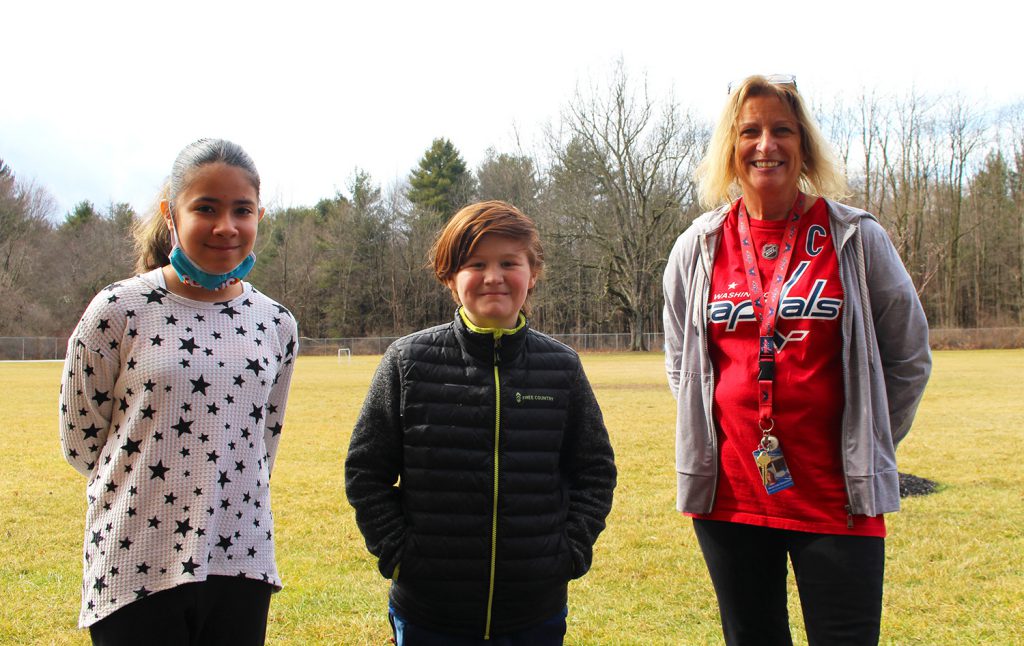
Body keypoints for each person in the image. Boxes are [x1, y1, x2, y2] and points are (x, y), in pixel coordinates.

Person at [662, 75, 931, 645]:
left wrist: (871, 440)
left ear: (804, 145)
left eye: (782, 130)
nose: (766, 145)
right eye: (750, 131)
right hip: (731, 499)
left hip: (839, 497)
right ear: (730, 149)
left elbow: (907, 356)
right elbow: (682, 366)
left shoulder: (854, 237)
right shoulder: (699, 245)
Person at [59, 138, 299, 645]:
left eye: (242, 210)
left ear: (260, 214)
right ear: (171, 213)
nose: (226, 226)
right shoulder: (118, 310)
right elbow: (81, 441)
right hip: (135, 558)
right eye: (205, 208)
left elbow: (263, 441)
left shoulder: (276, 324)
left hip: (239, 559)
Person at [345, 200, 616, 645]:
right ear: (451, 278)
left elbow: (595, 469)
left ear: (532, 272)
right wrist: (398, 555)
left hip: (534, 610)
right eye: (476, 263)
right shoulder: (407, 362)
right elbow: (365, 471)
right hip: (430, 613)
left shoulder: (561, 367)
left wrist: (570, 551)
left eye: (509, 262)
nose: (494, 276)